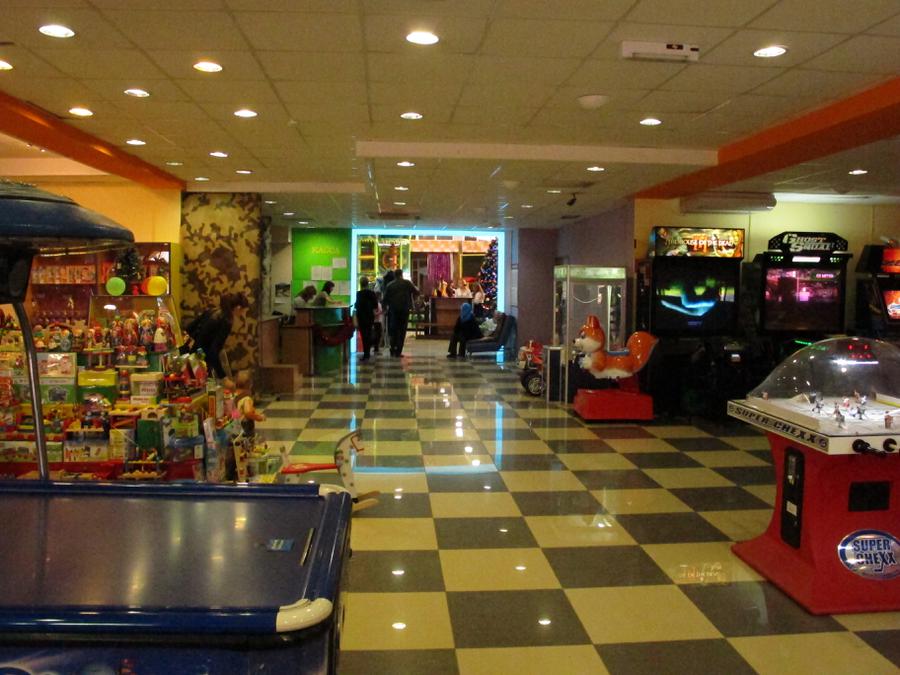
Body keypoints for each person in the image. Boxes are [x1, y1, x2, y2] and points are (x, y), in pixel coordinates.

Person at [183, 292, 249, 387]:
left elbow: (189, 329)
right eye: (243, 311)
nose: (242, 314)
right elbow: (213, 351)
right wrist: (224, 378)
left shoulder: (211, 311)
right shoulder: (226, 321)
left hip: (188, 356)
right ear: (238, 308)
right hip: (199, 362)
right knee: (205, 390)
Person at [382, 268, 419, 357]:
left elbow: (385, 299)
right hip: (404, 310)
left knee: (393, 330)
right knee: (402, 330)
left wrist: (385, 308)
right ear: (402, 274)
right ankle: (398, 351)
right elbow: (417, 292)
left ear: (394, 275)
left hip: (393, 310)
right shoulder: (407, 283)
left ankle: (392, 349)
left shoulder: (390, 285)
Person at [354, 276, 379, 360]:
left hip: (361, 316)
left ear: (360, 284)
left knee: (364, 335)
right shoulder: (372, 293)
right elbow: (375, 305)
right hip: (370, 316)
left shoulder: (358, 294)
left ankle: (366, 353)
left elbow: (357, 305)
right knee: (368, 333)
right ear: (367, 284)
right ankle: (368, 352)